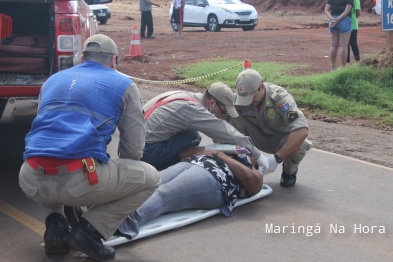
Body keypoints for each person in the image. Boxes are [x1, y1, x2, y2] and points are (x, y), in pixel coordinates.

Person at [19, 34, 160, 261]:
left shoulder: (51, 81)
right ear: (114, 60)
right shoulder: (124, 85)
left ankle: (54, 226)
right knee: (150, 177)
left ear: (82, 57)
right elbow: (133, 149)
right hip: (78, 179)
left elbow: (45, 137)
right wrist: (115, 182)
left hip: (30, 176)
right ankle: (88, 232)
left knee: (49, 158)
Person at [117, 146, 263, 239]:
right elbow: (183, 153)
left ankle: (119, 223)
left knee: (164, 195)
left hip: (214, 179)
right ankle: (104, 210)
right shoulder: (222, 150)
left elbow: (250, 180)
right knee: (149, 184)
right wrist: (215, 149)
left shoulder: (253, 170)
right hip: (192, 163)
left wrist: (220, 154)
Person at [140, 82, 271, 172]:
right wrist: (258, 156)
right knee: (193, 137)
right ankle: (169, 173)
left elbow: (215, 131)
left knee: (191, 133)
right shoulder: (193, 109)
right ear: (212, 102)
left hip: (134, 144)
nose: (222, 116)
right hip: (145, 152)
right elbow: (225, 131)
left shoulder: (187, 96)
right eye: (223, 111)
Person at [228, 69, 311, 187]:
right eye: (246, 98)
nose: (250, 102)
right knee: (232, 117)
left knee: (300, 145)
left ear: (262, 87)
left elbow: (302, 130)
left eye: (253, 97)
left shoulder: (279, 98)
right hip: (258, 137)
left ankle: (289, 172)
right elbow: (221, 118)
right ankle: (243, 166)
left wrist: (276, 159)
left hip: (281, 140)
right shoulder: (240, 98)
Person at [324, 0, 353, 70]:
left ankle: (333, 67)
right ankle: (343, 67)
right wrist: (338, 20)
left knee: (334, 45)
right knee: (343, 46)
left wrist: (332, 19)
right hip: (344, 20)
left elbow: (326, 10)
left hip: (332, 21)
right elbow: (347, 11)